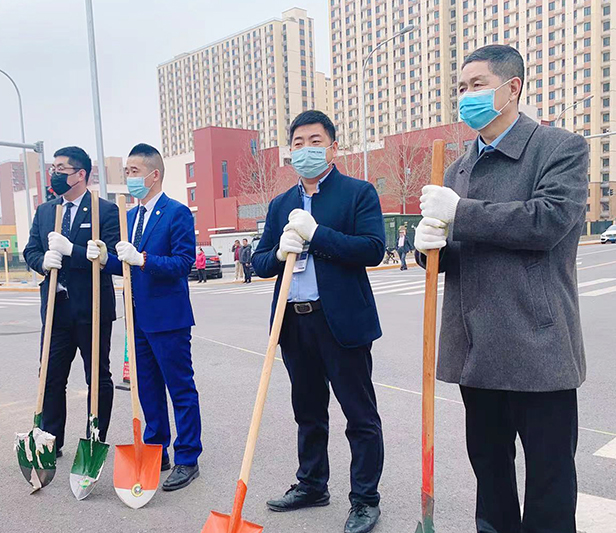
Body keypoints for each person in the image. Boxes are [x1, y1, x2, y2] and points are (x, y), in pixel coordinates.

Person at [415, 45, 588, 533]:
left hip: (538, 346)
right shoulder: (457, 170)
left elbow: (548, 221)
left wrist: (459, 213)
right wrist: (429, 246)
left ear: (512, 89)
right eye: (461, 87)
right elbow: (459, 250)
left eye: (477, 85)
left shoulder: (559, 148)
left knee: (550, 480)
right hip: (477, 348)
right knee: (490, 473)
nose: (466, 95)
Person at [252, 110, 386, 533]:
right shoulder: (280, 205)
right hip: (295, 323)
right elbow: (259, 262)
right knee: (308, 412)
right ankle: (312, 484)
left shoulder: (357, 193)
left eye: (315, 141)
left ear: (332, 147)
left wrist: (316, 234)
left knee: (359, 415)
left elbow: (372, 249)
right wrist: (278, 252)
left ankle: (364, 499)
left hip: (340, 321)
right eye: (298, 143)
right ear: (289, 151)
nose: (306, 149)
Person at [96, 142, 202, 491]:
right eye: (126, 171)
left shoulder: (176, 213)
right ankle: (158, 450)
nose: (129, 178)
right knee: (147, 389)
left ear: (154, 175)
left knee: (180, 389)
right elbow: (125, 265)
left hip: (168, 318)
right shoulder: (129, 217)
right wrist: (104, 259)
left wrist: (142, 259)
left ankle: (187, 457)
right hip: (137, 318)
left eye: (134, 172)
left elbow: (183, 263)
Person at [23, 146, 120, 458]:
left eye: (61, 169)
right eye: (53, 168)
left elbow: (110, 259)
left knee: (98, 379)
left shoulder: (104, 211)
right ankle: (51, 440)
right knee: (50, 377)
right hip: (56, 309)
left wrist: (71, 251)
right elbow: (30, 249)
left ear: (81, 174)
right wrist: (42, 261)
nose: (54, 174)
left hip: (92, 309)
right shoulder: (45, 211)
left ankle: (94, 439)